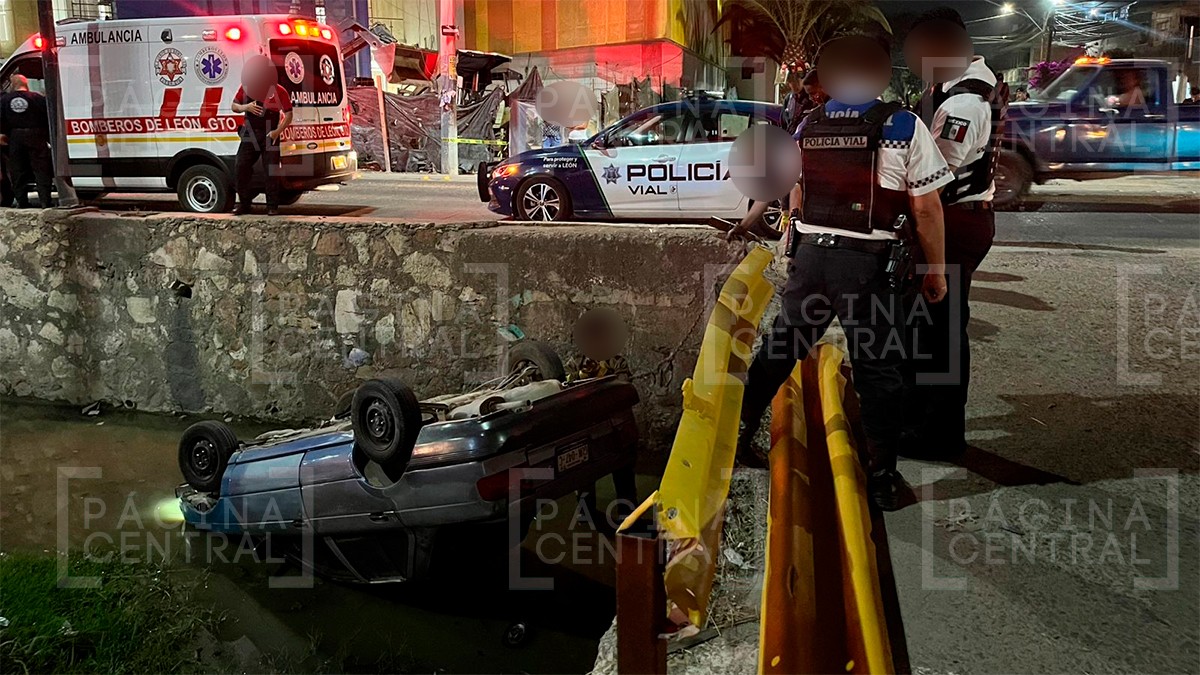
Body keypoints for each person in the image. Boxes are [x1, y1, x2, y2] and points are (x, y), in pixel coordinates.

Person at [729, 24, 951, 511]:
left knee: (780, 350)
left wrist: (795, 245)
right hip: (867, 267)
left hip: (812, 259)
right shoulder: (902, 125)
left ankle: (737, 436)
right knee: (878, 367)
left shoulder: (808, 126)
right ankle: (882, 476)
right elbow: (927, 208)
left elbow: (797, 195)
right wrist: (935, 269)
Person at [907, 7, 1003, 459]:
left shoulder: (962, 103)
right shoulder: (958, 89)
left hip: (956, 222)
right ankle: (931, 424)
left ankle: (937, 436)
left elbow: (933, 176)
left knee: (938, 329)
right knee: (936, 326)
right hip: (966, 217)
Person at [231, 63, 292, 215]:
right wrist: (246, 107)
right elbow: (234, 106)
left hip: (269, 134)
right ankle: (244, 204)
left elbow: (289, 114)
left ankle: (272, 206)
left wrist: (277, 132)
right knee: (241, 167)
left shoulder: (279, 91)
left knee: (271, 171)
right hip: (250, 133)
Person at [0, 74, 54, 208]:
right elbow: (48, 117)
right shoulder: (38, 98)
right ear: (26, 84)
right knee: (41, 169)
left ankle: (22, 202)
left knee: (18, 170)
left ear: (13, 85)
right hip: (36, 136)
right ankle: (45, 201)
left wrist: (2, 133)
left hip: (15, 137)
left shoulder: (5, 100)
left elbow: (1, 119)